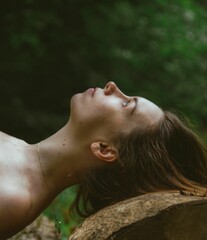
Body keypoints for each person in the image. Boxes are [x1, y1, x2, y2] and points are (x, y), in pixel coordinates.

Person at [0, 82, 207, 239]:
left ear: (104, 149)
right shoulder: (15, 154)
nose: (112, 86)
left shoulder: (12, 198)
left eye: (126, 104)